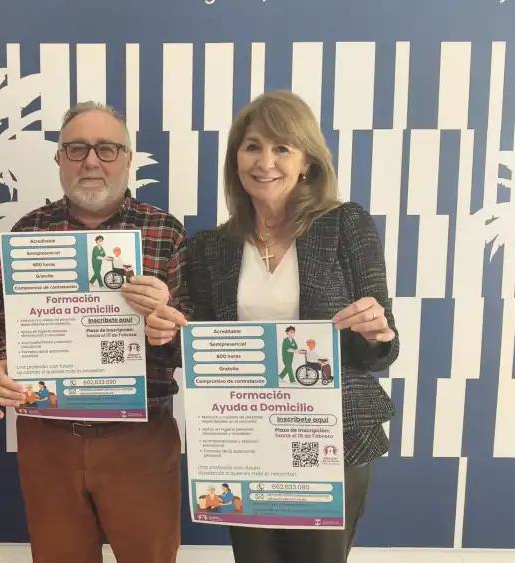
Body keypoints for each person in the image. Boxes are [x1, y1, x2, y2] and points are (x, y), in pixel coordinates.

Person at [144, 90, 399, 563]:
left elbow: (382, 345)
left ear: (307, 162)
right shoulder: (209, 247)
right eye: (252, 146)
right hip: (244, 441)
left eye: (282, 147)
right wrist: (165, 332)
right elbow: (195, 348)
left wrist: (375, 331)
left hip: (330, 441)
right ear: (236, 159)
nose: (265, 162)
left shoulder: (346, 225)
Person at [0, 101, 188, 563]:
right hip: (49, 436)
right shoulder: (30, 230)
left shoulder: (164, 231)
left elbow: (193, 341)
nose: (91, 161)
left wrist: (168, 325)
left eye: (106, 149)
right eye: (76, 148)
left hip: (140, 440)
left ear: (127, 159)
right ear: (59, 159)